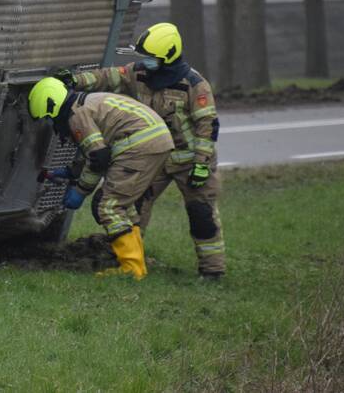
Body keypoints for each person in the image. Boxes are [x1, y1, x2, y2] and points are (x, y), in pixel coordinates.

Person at [64, 22, 225, 279]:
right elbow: (107, 76)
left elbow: (208, 126)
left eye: (151, 58)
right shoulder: (137, 73)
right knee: (133, 208)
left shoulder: (195, 85)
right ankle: (132, 262)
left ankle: (212, 271)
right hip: (156, 159)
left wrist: (202, 164)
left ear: (168, 56)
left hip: (190, 162)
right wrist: (75, 80)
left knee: (201, 215)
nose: (145, 63)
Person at [28, 77, 174, 279]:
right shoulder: (86, 102)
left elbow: (98, 157)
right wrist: (71, 172)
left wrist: (80, 191)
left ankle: (132, 269)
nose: (53, 123)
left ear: (52, 106)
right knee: (124, 205)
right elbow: (95, 150)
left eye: (50, 118)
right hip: (155, 141)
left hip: (139, 146)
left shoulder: (76, 115)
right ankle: (136, 263)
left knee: (109, 207)